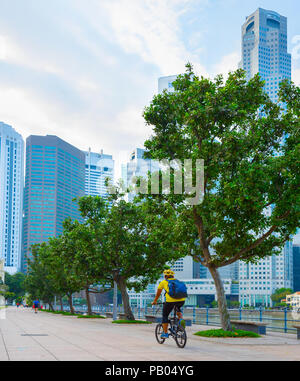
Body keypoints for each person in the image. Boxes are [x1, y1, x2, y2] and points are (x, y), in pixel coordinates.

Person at [152, 269, 186, 339]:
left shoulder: (163, 282)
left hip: (170, 301)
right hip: (181, 300)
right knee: (178, 309)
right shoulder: (178, 281)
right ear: (173, 275)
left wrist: (154, 301)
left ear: (165, 276)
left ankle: (165, 333)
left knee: (165, 315)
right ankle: (181, 320)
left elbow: (158, 294)